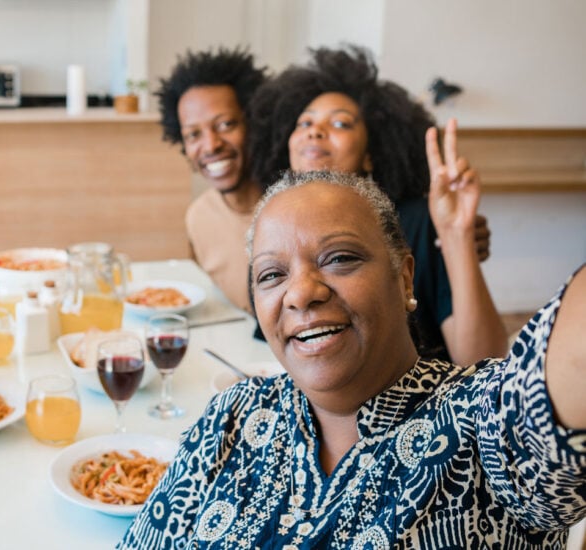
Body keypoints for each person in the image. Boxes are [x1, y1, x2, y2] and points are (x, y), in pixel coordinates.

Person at [119, 168, 586, 549]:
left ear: (404, 280)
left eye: (339, 258)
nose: (300, 293)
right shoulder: (234, 416)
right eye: (271, 274)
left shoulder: (483, 425)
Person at [247, 45, 504, 365]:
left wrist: (458, 236)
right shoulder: (270, 232)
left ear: (371, 153)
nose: (314, 130)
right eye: (304, 123)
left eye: (340, 123)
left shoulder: (417, 222)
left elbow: (485, 363)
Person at [156, 46, 268, 313]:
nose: (211, 145)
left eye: (225, 124)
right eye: (194, 134)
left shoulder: (297, 207)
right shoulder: (199, 218)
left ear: (253, 123)